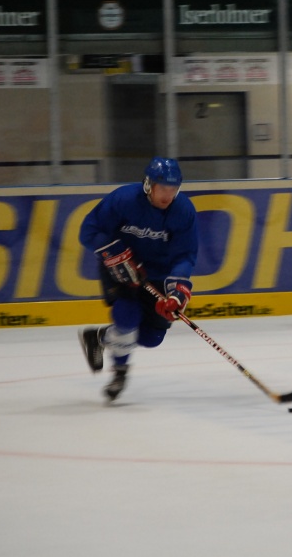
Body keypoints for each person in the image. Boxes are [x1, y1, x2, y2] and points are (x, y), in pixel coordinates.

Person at [78, 157, 198, 401]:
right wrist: (113, 252)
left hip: (158, 273)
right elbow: (88, 231)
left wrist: (177, 291)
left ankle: (100, 337)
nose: (168, 195)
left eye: (173, 189)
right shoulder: (123, 199)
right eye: (163, 188)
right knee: (127, 316)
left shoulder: (183, 210)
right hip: (120, 267)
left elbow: (184, 255)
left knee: (151, 338)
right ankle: (120, 372)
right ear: (148, 185)